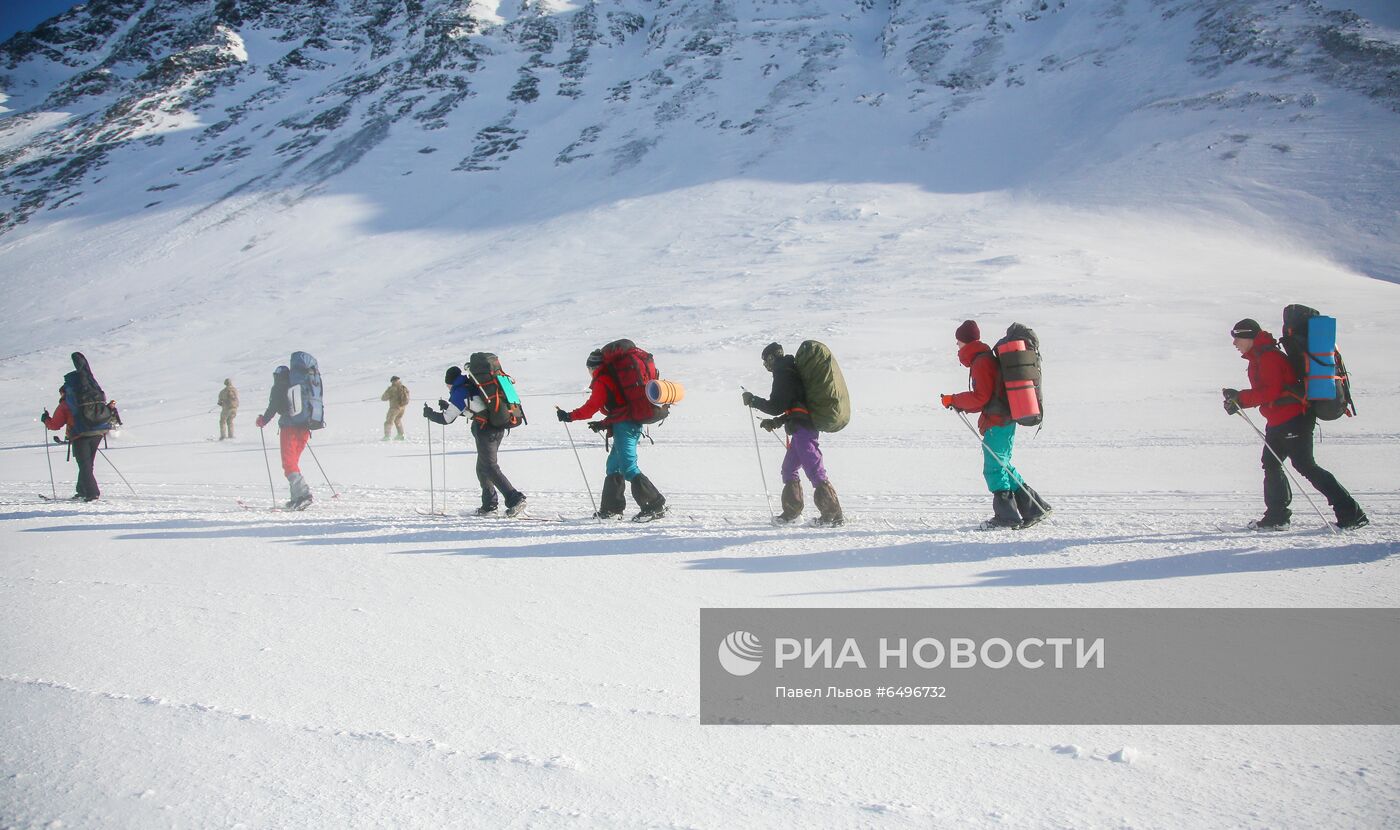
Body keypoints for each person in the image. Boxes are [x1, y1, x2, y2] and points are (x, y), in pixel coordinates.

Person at [1222, 318, 1368, 530]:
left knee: (1305, 466)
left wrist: (1241, 398)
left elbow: (1271, 391)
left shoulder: (1269, 357)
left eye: (1237, 338)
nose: (1235, 343)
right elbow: (1271, 392)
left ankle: (1352, 514)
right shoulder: (1260, 357)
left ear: (1249, 337)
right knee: (1271, 464)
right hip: (1279, 419)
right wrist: (1238, 400)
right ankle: (1277, 517)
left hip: (1293, 419)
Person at [940, 320, 1051, 529]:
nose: (957, 347)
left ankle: (1007, 517)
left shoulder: (981, 362)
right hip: (1004, 419)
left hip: (998, 421)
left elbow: (981, 397)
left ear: (965, 342)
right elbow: (987, 396)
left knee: (993, 468)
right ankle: (1035, 508)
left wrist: (953, 399)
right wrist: (958, 403)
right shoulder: (983, 359)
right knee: (1003, 465)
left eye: (958, 343)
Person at [556, 348, 667, 521]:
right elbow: (620, 406)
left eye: (589, 369)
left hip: (625, 426)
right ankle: (611, 510)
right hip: (625, 423)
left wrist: (569, 416)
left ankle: (654, 506)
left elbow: (591, 407)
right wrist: (603, 423)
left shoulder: (602, 380)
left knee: (629, 468)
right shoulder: (612, 378)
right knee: (613, 467)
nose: (589, 373)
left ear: (593, 367)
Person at [742, 342, 843, 525]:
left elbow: (776, 405)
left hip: (804, 430)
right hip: (800, 429)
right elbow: (794, 405)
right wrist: (776, 422)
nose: (766, 366)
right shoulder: (789, 370)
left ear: (772, 358)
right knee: (789, 470)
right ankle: (792, 514)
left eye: (766, 362)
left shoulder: (783, 373)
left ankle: (833, 515)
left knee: (814, 470)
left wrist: (753, 400)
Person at [424, 365, 527, 516]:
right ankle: (489, 506)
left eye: (446, 384)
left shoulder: (459, 391)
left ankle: (515, 499)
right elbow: (476, 409)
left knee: (490, 467)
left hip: (486, 431)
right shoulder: (471, 385)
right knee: (482, 468)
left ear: (450, 382)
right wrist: (449, 406)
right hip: (496, 427)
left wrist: (430, 414)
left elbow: (446, 419)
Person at [41, 352, 117, 501]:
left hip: (79, 435)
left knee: (84, 465)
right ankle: (82, 490)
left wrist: (45, 419)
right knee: (88, 464)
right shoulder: (91, 394)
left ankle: (92, 493)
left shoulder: (66, 403)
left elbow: (55, 425)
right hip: (98, 431)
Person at [255, 364, 313, 510]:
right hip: (304, 427)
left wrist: (263, 420)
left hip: (289, 428)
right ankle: (296, 498)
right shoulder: (298, 386)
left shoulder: (279, 386)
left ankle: (304, 495)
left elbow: (274, 406)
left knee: (288, 463)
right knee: (293, 463)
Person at [381, 375, 409, 441]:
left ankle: (387, 436)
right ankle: (401, 435)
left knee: (388, 422)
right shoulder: (404, 388)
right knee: (397, 420)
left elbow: (384, 398)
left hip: (394, 408)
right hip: (402, 408)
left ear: (392, 381)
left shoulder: (392, 388)